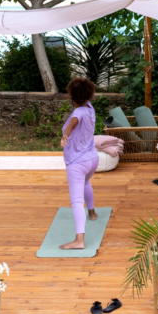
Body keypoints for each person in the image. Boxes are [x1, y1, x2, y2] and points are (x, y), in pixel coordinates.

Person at [58, 77, 99, 250]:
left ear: (72, 97)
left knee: (76, 201)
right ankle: (92, 213)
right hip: (92, 160)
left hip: (77, 163)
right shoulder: (90, 108)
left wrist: (65, 134)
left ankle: (79, 240)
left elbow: (73, 122)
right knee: (86, 182)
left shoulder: (78, 113)